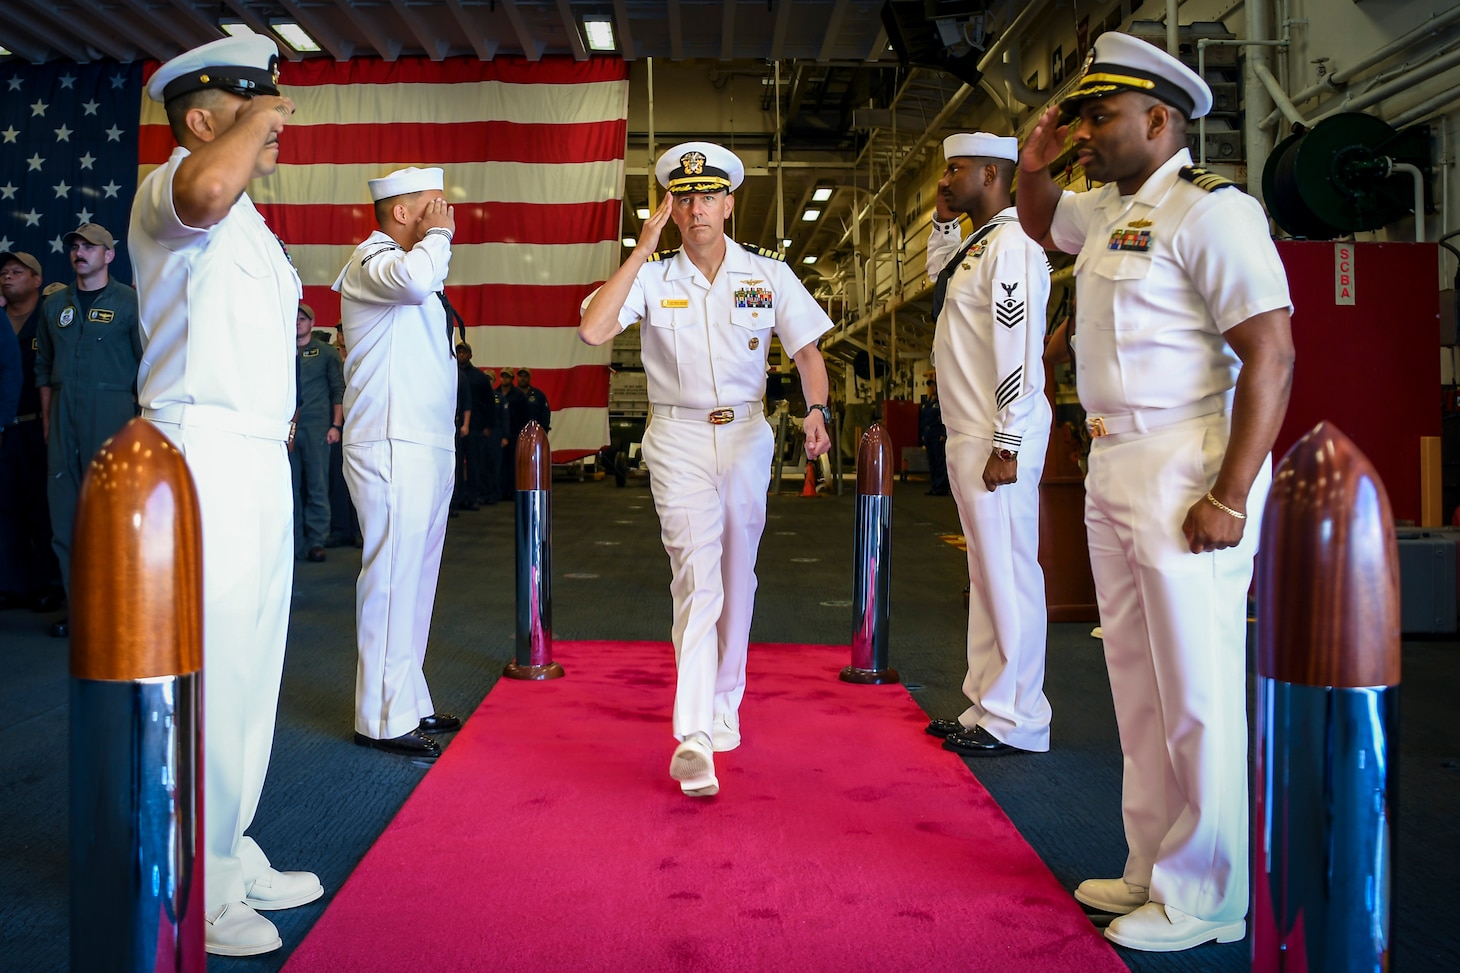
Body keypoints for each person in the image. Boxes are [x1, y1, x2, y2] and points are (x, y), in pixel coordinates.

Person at [1016, 32, 1295, 952]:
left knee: (1197, 684)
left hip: (1185, 460)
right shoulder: (1102, 211)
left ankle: (1209, 895)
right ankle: (1151, 864)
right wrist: (1035, 163)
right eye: (1084, 116)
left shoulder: (1213, 212)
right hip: (1111, 459)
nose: (1087, 131)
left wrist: (1231, 491)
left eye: (1100, 116)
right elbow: (1035, 219)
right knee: (1137, 681)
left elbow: (1272, 353)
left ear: (1158, 119)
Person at [129, 33, 322, 957]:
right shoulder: (177, 189)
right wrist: (245, 134)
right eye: (257, 106)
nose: (277, 120)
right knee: (211, 670)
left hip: (255, 454)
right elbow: (206, 189)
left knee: (254, 666)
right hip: (198, 448)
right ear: (205, 119)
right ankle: (195, 881)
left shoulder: (248, 220)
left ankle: (229, 848)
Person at [580, 141, 833, 798]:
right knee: (697, 576)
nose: (696, 209)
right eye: (684, 197)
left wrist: (818, 411)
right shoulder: (655, 276)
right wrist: (638, 250)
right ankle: (693, 732)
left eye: (708, 197)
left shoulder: (768, 275)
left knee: (736, 576)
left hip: (747, 435)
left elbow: (807, 352)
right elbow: (593, 331)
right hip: (678, 437)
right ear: (672, 204)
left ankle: (724, 706)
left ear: (728, 203)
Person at [920, 133, 1053, 759]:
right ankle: (986, 702)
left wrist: (1009, 439)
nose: (945, 179)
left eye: (957, 170)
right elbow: (939, 277)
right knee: (985, 573)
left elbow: (1019, 350)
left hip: (996, 434)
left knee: (1009, 573)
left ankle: (1019, 717)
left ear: (994, 174)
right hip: (968, 430)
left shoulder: (1015, 247)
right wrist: (945, 222)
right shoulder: (981, 244)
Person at [335, 165, 462, 762]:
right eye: (433, 205)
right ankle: (381, 717)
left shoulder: (416, 271)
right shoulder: (372, 260)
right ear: (402, 213)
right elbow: (412, 283)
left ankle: (408, 697)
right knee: (391, 578)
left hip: (423, 442)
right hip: (390, 442)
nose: (445, 214)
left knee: (417, 579)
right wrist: (438, 239)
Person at [35, 223, 143, 638]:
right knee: (66, 519)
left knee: (114, 517)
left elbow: (147, 367)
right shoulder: (54, 306)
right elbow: (43, 365)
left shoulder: (130, 303)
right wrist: (47, 418)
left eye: (90, 247)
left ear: (109, 255)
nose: (80, 253)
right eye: (74, 246)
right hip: (63, 417)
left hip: (113, 414)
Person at [0, 251, 65, 617]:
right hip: (3, 427)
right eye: (4, 273)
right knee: (5, 508)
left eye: (17, 272)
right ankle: (11, 584)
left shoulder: (51, 317)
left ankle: (46, 585)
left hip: (36, 424)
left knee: (41, 507)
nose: (8, 277)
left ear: (37, 280)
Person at [290, 302, 344, 562]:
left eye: (303, 318)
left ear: (312, 323)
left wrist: (336, 425)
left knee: (317, 485)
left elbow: (338, 390)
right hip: (287, 429)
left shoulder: (325, 353)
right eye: (295, 318)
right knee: (290, 487)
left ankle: (316, 541)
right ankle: (294, 542)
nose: (298, 322)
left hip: (316, 427)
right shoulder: (281, 351)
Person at [456, 343, 501, 505]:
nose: (461, 355)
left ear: (470, 355)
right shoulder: (450, 374)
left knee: (475, 463)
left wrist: (489, 426)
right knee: (457, 465)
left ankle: (473, 497)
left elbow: (490, 403)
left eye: (464, 352)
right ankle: (458, 498)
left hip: (476, 426)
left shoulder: (479, 377)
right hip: (454, 426)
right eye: (459, 352)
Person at [918, 376, 948, 495]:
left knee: (939, 461)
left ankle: (941, 487)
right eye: (929, 386)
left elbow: (945, 419)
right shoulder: (927, 403)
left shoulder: (941, 402)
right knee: (932, 462)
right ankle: (934, 486)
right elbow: (922, 419)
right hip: (928, 434)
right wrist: (922, 434)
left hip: (937, 434)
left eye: (933, 385)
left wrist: (943, 433)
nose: (931, 388)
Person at [516, 367, 551, 432]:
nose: (523, 379)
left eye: (525, 376)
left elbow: (545, 414)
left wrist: (544, 430)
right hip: (515, 433)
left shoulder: (538, 395)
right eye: (521, 376)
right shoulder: (512, 394)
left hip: (534, 432)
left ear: (530, 378)